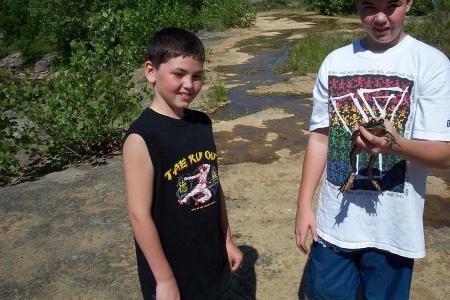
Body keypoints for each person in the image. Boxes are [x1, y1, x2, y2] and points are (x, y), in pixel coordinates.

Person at [294, 1, 450, 299]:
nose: (380, 17)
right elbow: (320, 138)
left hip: (393, 231)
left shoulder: (431, 63)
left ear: (408, 4)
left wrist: (393, 144)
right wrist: (304, 206)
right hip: (333, 226)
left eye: (391, 5)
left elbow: (444, 154)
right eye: (368, 6)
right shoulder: (335, 62)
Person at [123, 27, 243, 300]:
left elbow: (213, 186)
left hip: (211, 262)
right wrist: (164, 280)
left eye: (197, 76)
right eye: (179, 74)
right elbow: (139, 216)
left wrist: (228, 241)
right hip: (171, 270)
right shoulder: (142, 137)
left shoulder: (202, 123)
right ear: (151, 71)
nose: (189, 85)